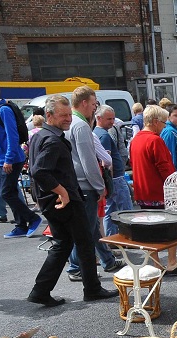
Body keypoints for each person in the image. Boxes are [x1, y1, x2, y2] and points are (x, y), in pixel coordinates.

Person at [26, 95, 118, 306]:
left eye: (69, 114)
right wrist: (63, 192)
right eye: (63, 115)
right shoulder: (51, 140)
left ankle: (40, 290)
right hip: (63, 201)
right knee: (84, 242)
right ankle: (92, 289)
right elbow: (39, 171)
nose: (68, 119)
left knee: (64, 244)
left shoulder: (43, 136)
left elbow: (38, 171)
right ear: (49, 115)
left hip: (53, 200)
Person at [65, 86, 123, 281]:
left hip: (78, 183)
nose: (94, 108)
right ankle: (75, 267)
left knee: (87, 229)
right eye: (93, 104)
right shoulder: (80, 125)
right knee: (87, 230)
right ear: (84, 103)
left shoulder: (72, 123)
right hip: (85, 185)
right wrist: (100, 187)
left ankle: (99, 261)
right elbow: (88, 160)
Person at [129, 105, 177, 275]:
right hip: (159, 191)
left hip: (143, 191)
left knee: (149, 231)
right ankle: (171, 263)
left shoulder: (136, 139)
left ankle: (156, 265)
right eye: (163, 122)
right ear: (155, 122)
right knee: (171, 229)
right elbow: (165, 167)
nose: (164, 126)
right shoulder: (154, 140)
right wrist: (175, 185)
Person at [0, 83, 43, 238]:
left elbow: (12, 136)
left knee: (6, 192)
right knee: (11, 191)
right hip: (4, 160)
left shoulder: (4, 110)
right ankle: (21, 225)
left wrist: (8, 159)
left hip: (12, 159)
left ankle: (32, 218)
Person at [94, 105, 133, 237]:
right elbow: (106, 162)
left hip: (113, 178)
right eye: (109, 119)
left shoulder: (98, 133)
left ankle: (111, 240)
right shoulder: (103, 135)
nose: (112, 122)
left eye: (113, 118)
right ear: (99, 118)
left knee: (110, 210)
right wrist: (109, 181)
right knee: (126, 211)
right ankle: (129, 238)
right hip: (115, 179)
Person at [160, 104, 177, 171]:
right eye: (176, 115)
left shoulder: (175, 130)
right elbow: (169, 154)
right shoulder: (170, 132)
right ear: (168, 116)